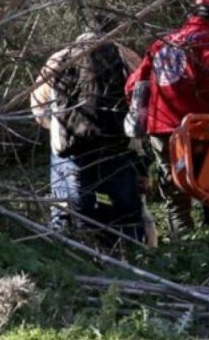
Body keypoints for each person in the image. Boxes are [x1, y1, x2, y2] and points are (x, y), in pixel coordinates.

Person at [125, 0, 209, 240]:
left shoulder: (161, 42)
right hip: (199, 128)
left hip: (161, 130)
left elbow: (134, 84)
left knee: (176, 195)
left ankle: (186, 252)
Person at [31, 15, 149, 248]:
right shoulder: (126, 56)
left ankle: (68, 254)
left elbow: (37, 107)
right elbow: (145, 98)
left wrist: (57, 126)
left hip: (73, 152)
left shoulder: (59, 59)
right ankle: (135, 258)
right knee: (127, 213)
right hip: (118, 147)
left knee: (68, 210)